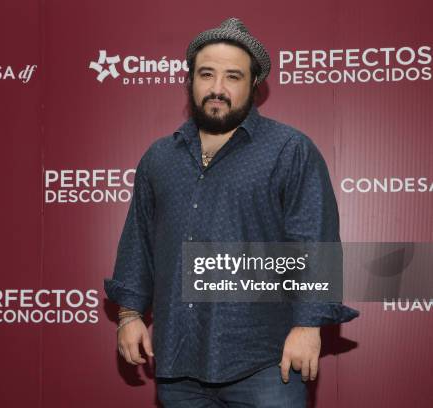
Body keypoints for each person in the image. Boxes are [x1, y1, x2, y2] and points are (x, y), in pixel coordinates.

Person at [104, 17, 359, 407]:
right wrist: (129, 314)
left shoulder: (289, 150)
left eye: (233, 76)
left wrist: (308, 325)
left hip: (266, 363)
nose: (218, 88)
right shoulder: (159, 157)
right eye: (207, 74)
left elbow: (314, 240)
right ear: (190, 80)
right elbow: (139, 241)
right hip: (178, 364)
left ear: (254, 85)